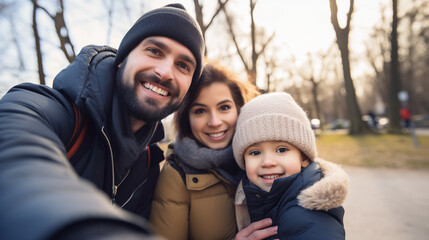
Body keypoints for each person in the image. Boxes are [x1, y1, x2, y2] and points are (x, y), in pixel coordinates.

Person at [0, 3, 204, 240]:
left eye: (183, 65)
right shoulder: (43, 108)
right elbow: (15, 163)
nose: (166, 72)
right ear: (122, 58)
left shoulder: (149, 167)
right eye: (154, 51)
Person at [149, 62, 268, 240]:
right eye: (200, 111)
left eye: (224, 107)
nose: (214, 122)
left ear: (240, 109)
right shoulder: (176, 174)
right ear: (186, 119)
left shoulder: (265, 156)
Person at [233, 92, 349, 239]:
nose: (268, 162)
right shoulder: (257, 195)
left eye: (281, 150)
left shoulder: (308, 213)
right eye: (255, 153)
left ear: (304, 158)